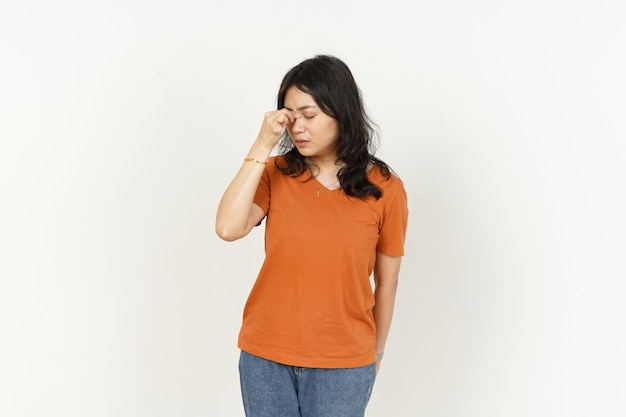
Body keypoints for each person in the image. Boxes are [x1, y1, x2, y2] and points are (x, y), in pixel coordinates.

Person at [215, 54, 408, 417]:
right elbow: (228, 227)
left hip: (344, 364)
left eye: (309, 115)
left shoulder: (385, 188)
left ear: (341, 112)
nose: (297, 127)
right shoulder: (275, 173)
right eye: (290, 117)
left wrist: (376, 354)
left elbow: (387, 283)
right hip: (265, 359)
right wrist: (261, 145)